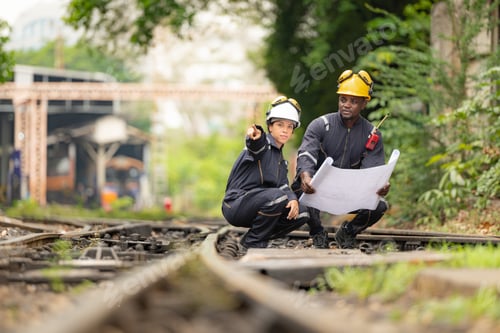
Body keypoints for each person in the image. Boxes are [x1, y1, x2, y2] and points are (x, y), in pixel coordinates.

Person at [292, 69, 391, 249]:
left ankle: (348, 232)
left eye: (353, 101)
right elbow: (306, 152)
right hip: (318, 191)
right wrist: (305, 175)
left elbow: (373, 171)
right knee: (298, 190)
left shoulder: (371, 135)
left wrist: (379, 186)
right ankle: (317, 232)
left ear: (364, 103)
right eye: (343, 99)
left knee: (380, 206)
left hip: (350, 194)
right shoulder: (320, 125)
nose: (346, 104)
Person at [222, 96, 310, 249]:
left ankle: (251, 238)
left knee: (302, 213)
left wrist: (293, 199)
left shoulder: (280, 160)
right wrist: (255, 137)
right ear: (270, 127)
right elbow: (256, 145)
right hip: (235, 204)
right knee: (277, 197)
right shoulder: (263, 146)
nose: (285, 130)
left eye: (290, 126)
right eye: (280, 124)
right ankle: (255, 242)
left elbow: (283, 185)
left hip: (261, 203)